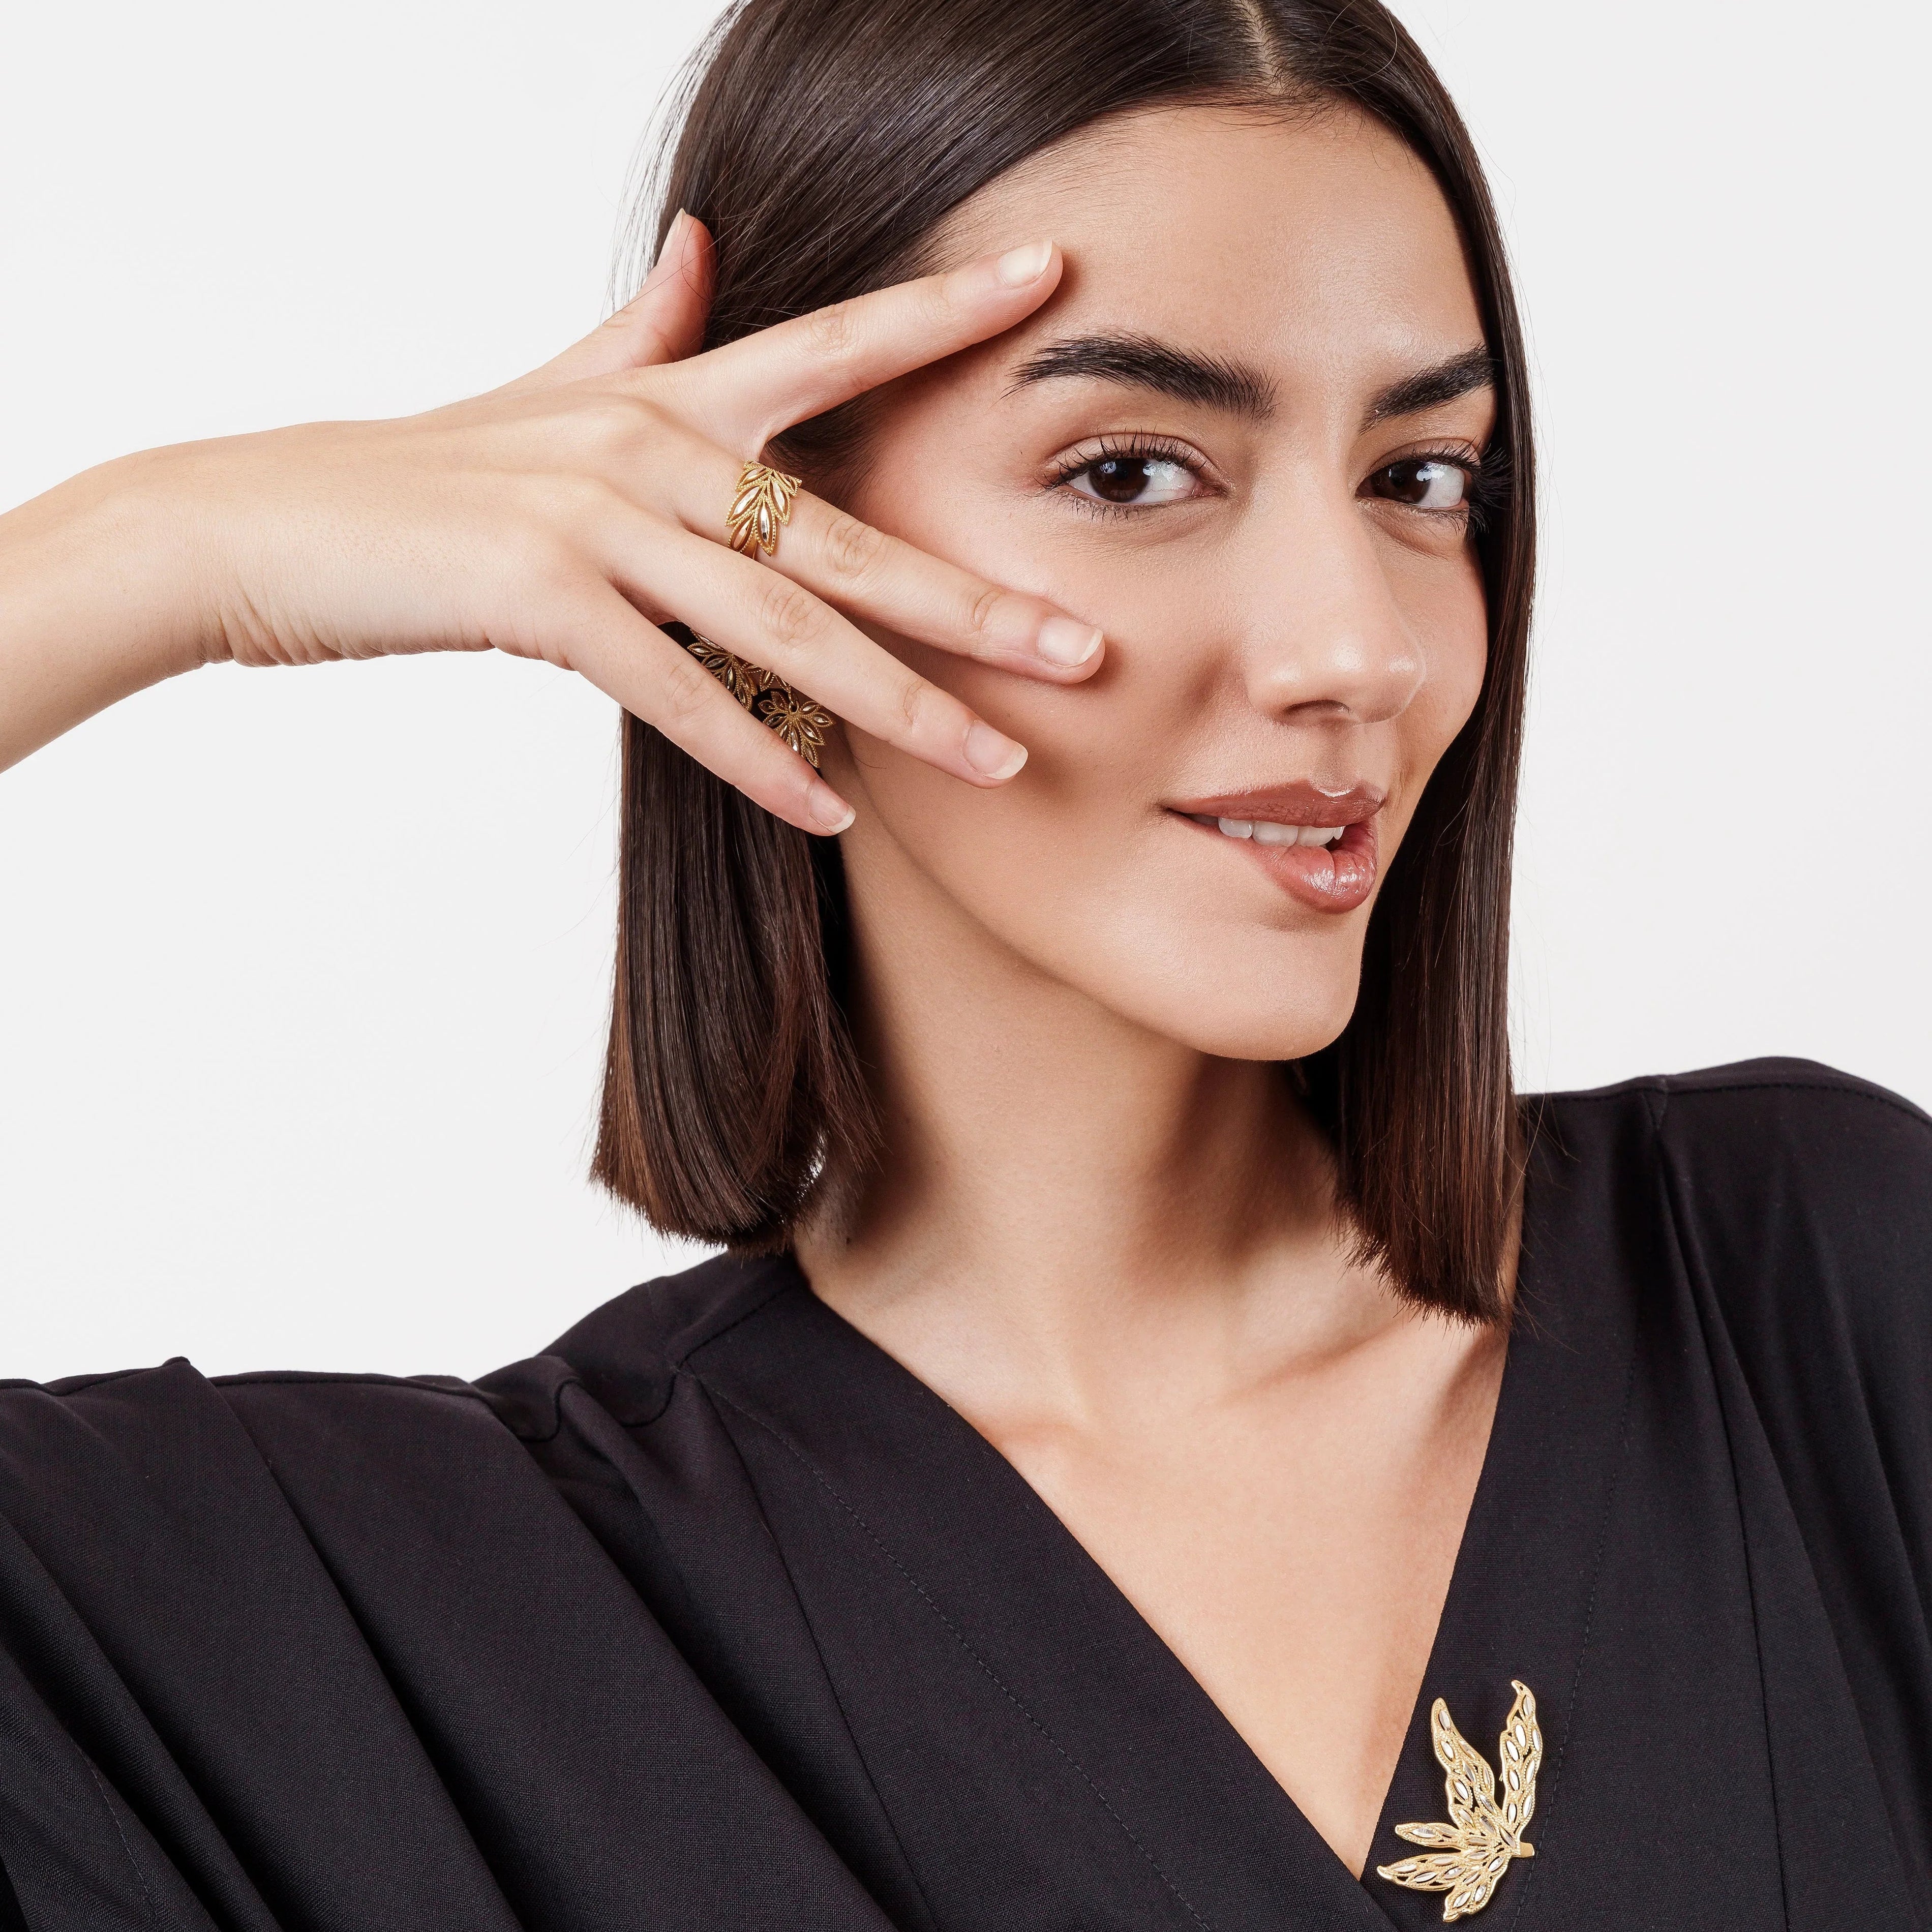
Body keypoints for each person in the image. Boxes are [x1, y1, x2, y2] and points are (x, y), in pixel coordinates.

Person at [0, 0, 1925, 1924]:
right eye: (1131, 472)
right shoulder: (382, 1620)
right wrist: (169, 548)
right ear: (754, 540)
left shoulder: (1811, 1294)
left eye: (1421, 479)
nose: (1362, 647)